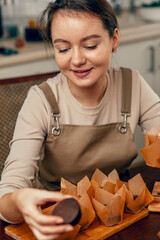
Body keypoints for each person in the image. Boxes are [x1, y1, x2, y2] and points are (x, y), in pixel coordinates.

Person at [0, 0, 160, 239]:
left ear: (114, 39)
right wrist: (19, 201)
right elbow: (7, 196)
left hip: (118, 217)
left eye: (90, 45)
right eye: (63, 49)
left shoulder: (132, 84)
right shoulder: (41, 100)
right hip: (57, 220)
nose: (76, 60)